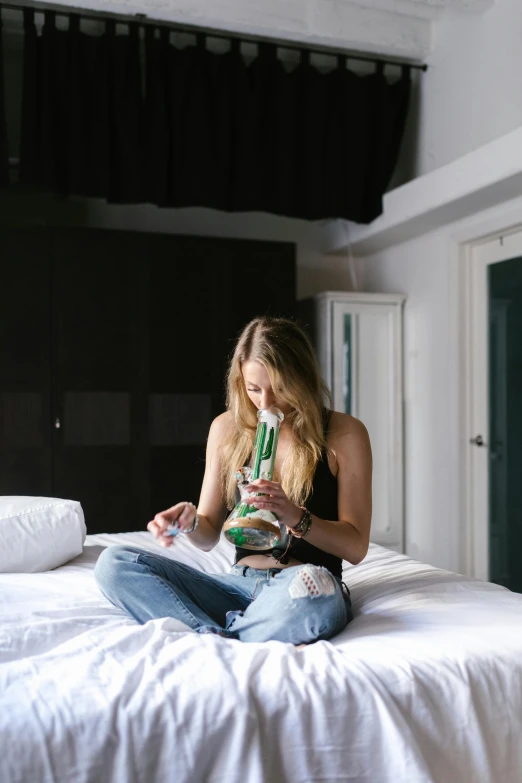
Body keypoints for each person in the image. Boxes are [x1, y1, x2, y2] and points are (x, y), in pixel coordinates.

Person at [94, 317, 372, 645]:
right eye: (254, 389)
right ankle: (222, 636)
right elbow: (208, 532)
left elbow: (355, 547)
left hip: (300, 585)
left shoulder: (344, 433)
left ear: (302, 379)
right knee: (113, 564)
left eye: (279, 389)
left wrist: (294, 515)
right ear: (241, 381)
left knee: (320, 594)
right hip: (236, 585)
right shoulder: (227, 428)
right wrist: (188, 521)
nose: (265, 404)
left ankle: (216, 639)